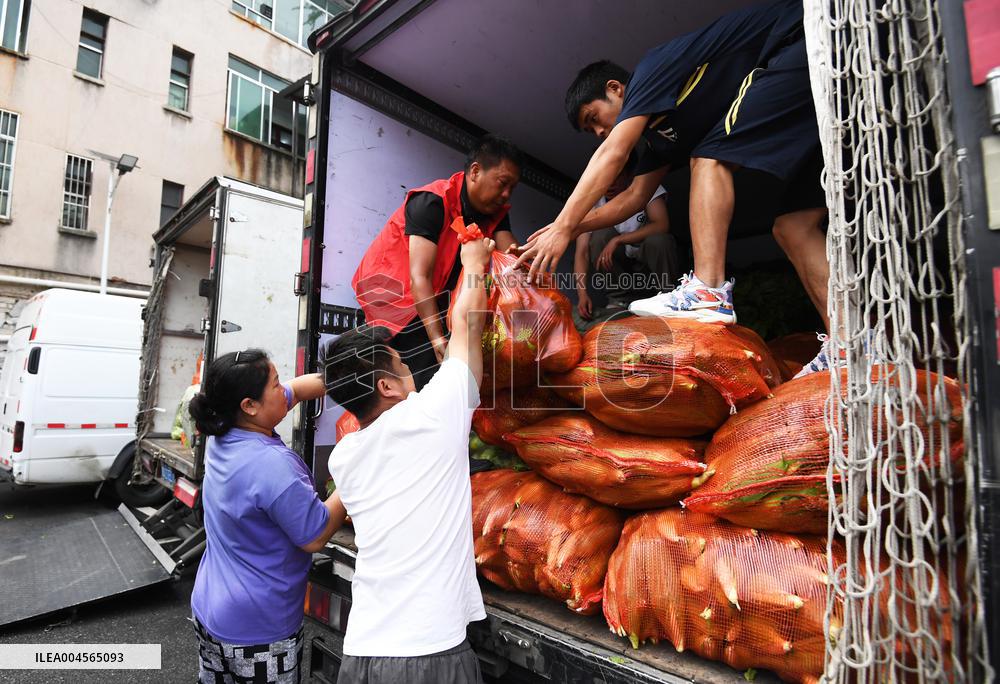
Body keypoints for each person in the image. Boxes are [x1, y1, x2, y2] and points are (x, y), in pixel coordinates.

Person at [516, 0, 833, 373]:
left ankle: (708, 291)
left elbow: (613, 152)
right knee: (793, 227)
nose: (599, 131)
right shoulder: (659, 140)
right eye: (591, 130)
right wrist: (569, 230)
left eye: (595, 118)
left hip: (802, 39)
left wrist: (564, 224)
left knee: (708, 159)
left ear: (616, 89)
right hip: (811, 106)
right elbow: (634, 197)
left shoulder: (650, 72)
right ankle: (848, 344)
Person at [324, 235, 495, 684]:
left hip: (360, 654)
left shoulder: (343, 456)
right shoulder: (432, 417)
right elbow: (467, 327)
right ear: (387, 387)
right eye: (402, 365)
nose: (411, 371)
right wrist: (474, 262)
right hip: (428, 656)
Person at [189, 350, 347, 684]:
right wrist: (359, 467)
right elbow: (315, 535)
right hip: (257, 631)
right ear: (249, 405)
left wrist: (349, 376)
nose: (283, 389)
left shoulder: (224, 432)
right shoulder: (272, 466)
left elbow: (298, 390)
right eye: (276, 384)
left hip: (210, 607)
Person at [352, 135, 522, 391]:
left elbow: (510, 256)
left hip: (436, 303)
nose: (506, 194)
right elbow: (419, 277)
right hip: (397, 304)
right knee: (417, 385)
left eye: (512, 188)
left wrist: (528, 263)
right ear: (475, 171)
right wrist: (437, 340)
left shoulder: (495, 212)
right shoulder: (432, 201)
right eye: (502, 183)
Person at [574, 177, 677, 325]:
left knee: (659, 241)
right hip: (622, 277)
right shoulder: (593, 201)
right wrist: (582, 294)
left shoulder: (647, 185)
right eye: (607, 178)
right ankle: (619, 300)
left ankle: (668, 297)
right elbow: (582, 252)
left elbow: (662, 225)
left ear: (627, 173)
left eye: (616, 177)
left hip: (649, 271)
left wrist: (619, 240)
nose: (610, 184)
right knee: (600, 236)